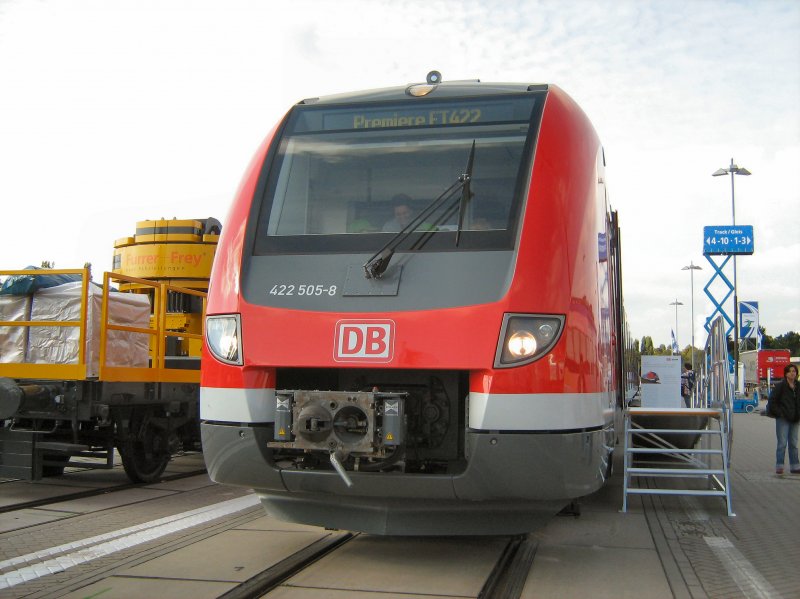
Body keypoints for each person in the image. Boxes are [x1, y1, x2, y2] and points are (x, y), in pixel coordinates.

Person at [766, 364, 800, 474]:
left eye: (794, 371)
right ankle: (779, 466)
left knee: (794, 443)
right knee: (782, 443)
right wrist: (780, 413)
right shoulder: (781, 386)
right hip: (783, 418)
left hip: (795, 418)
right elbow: (772, 400)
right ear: (786, 373)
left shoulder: (798, 386)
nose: (792, 373)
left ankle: (795, 466)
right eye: (790, 371)